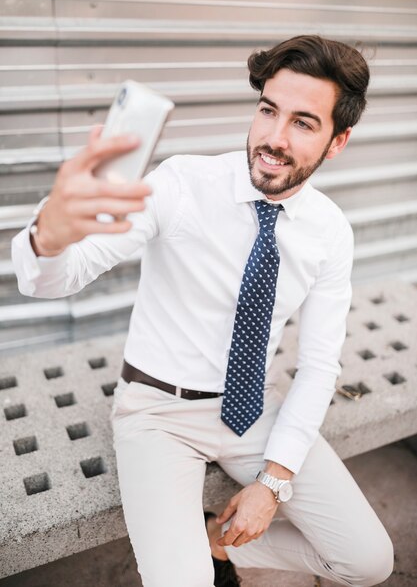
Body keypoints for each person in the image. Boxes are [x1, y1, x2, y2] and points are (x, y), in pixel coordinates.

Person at [12, 35, 394, 587]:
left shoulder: (330, 231)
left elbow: (317, 368)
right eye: (268, 110)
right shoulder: (181, 185)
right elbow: (56, 278)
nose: (273, 138)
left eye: (303, 123)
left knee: (368, 562)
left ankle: (215, 546)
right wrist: (50, 236)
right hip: (156, 413)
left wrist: (273, 483)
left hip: (254, 410)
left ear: (338, 141)